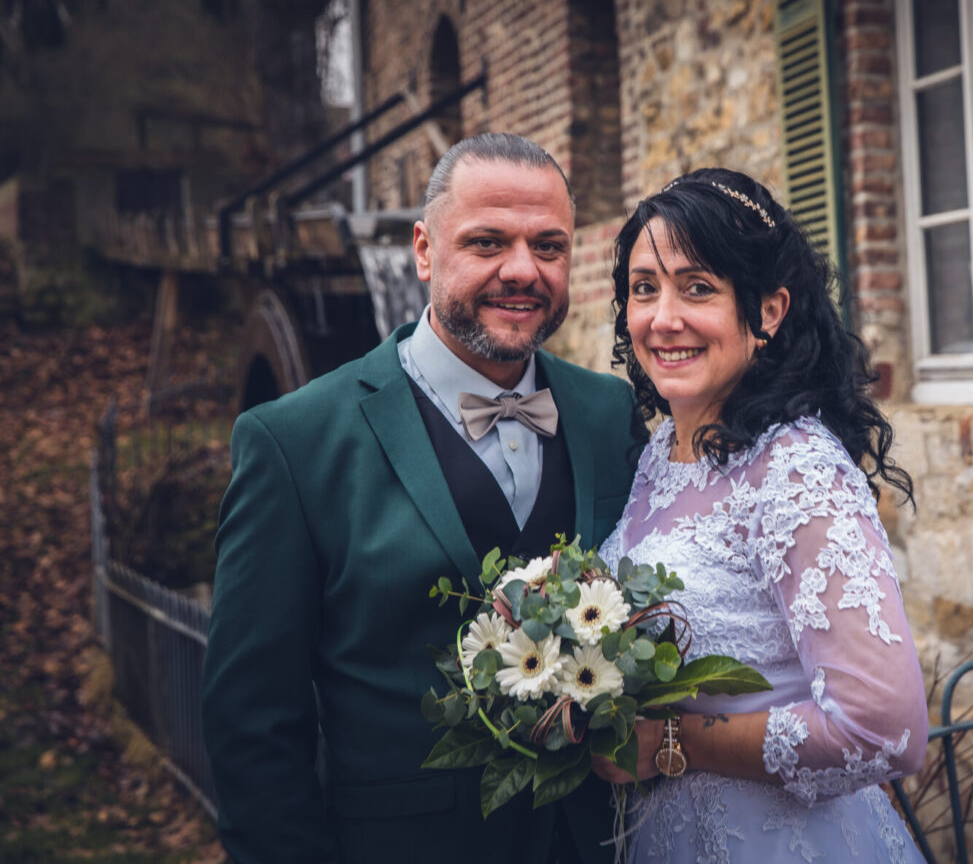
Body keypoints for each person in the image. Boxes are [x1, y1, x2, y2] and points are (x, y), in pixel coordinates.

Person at [202, 133, 641, 864]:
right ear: (424, 250)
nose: (523, 270)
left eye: (550, 246)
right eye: (488, 241)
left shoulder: (611, 413)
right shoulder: (294, 442)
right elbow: (252, 729)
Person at [591, 168, 929, 861]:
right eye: (644, 287)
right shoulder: (661, 451)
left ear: (769, 311)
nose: (664, 317)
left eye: (698, 287)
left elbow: (884, 727)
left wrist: (674, 741)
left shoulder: (796, 469)